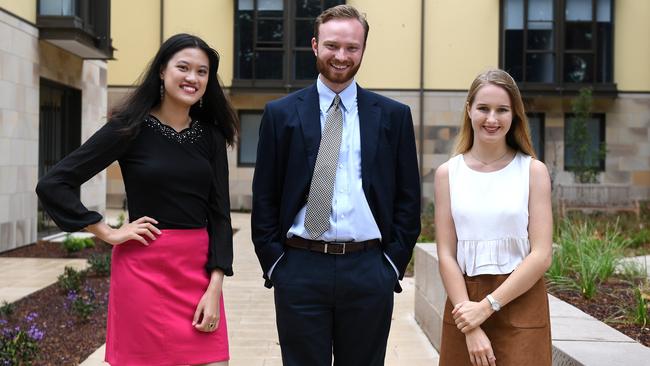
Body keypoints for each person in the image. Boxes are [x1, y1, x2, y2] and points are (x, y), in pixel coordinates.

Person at [36, 33, 237, 366]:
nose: (192, 78)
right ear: (162, 70)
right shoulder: (128, 128)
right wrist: (108, 232)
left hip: (197, 272)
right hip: (143, 270)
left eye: (202, 72)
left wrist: (215, 286)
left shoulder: (211, 137)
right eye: (183, 67)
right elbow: (54, 183)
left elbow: (220, 215)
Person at [251, 5, 420, 366]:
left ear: (363, 49)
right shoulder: (280, 114)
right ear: (314, 45)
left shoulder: (393, 116)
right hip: (299, 266)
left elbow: (408, 198)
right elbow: (264, 195)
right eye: (332, 46)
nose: (341, 56)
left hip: (369, 269)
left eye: (351, 47)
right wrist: (276, 264)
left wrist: (391, 264)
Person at [434, 69, 553, 366]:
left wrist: (487, 307)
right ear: (469, 110)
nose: (492, 119)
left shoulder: (533, 171)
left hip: (521, 300)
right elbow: (446, 254)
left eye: (502, 110)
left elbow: (541, 255)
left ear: (515, 115)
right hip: (464, 303)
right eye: (483, 108)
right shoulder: (448, 174)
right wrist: (470, 322)